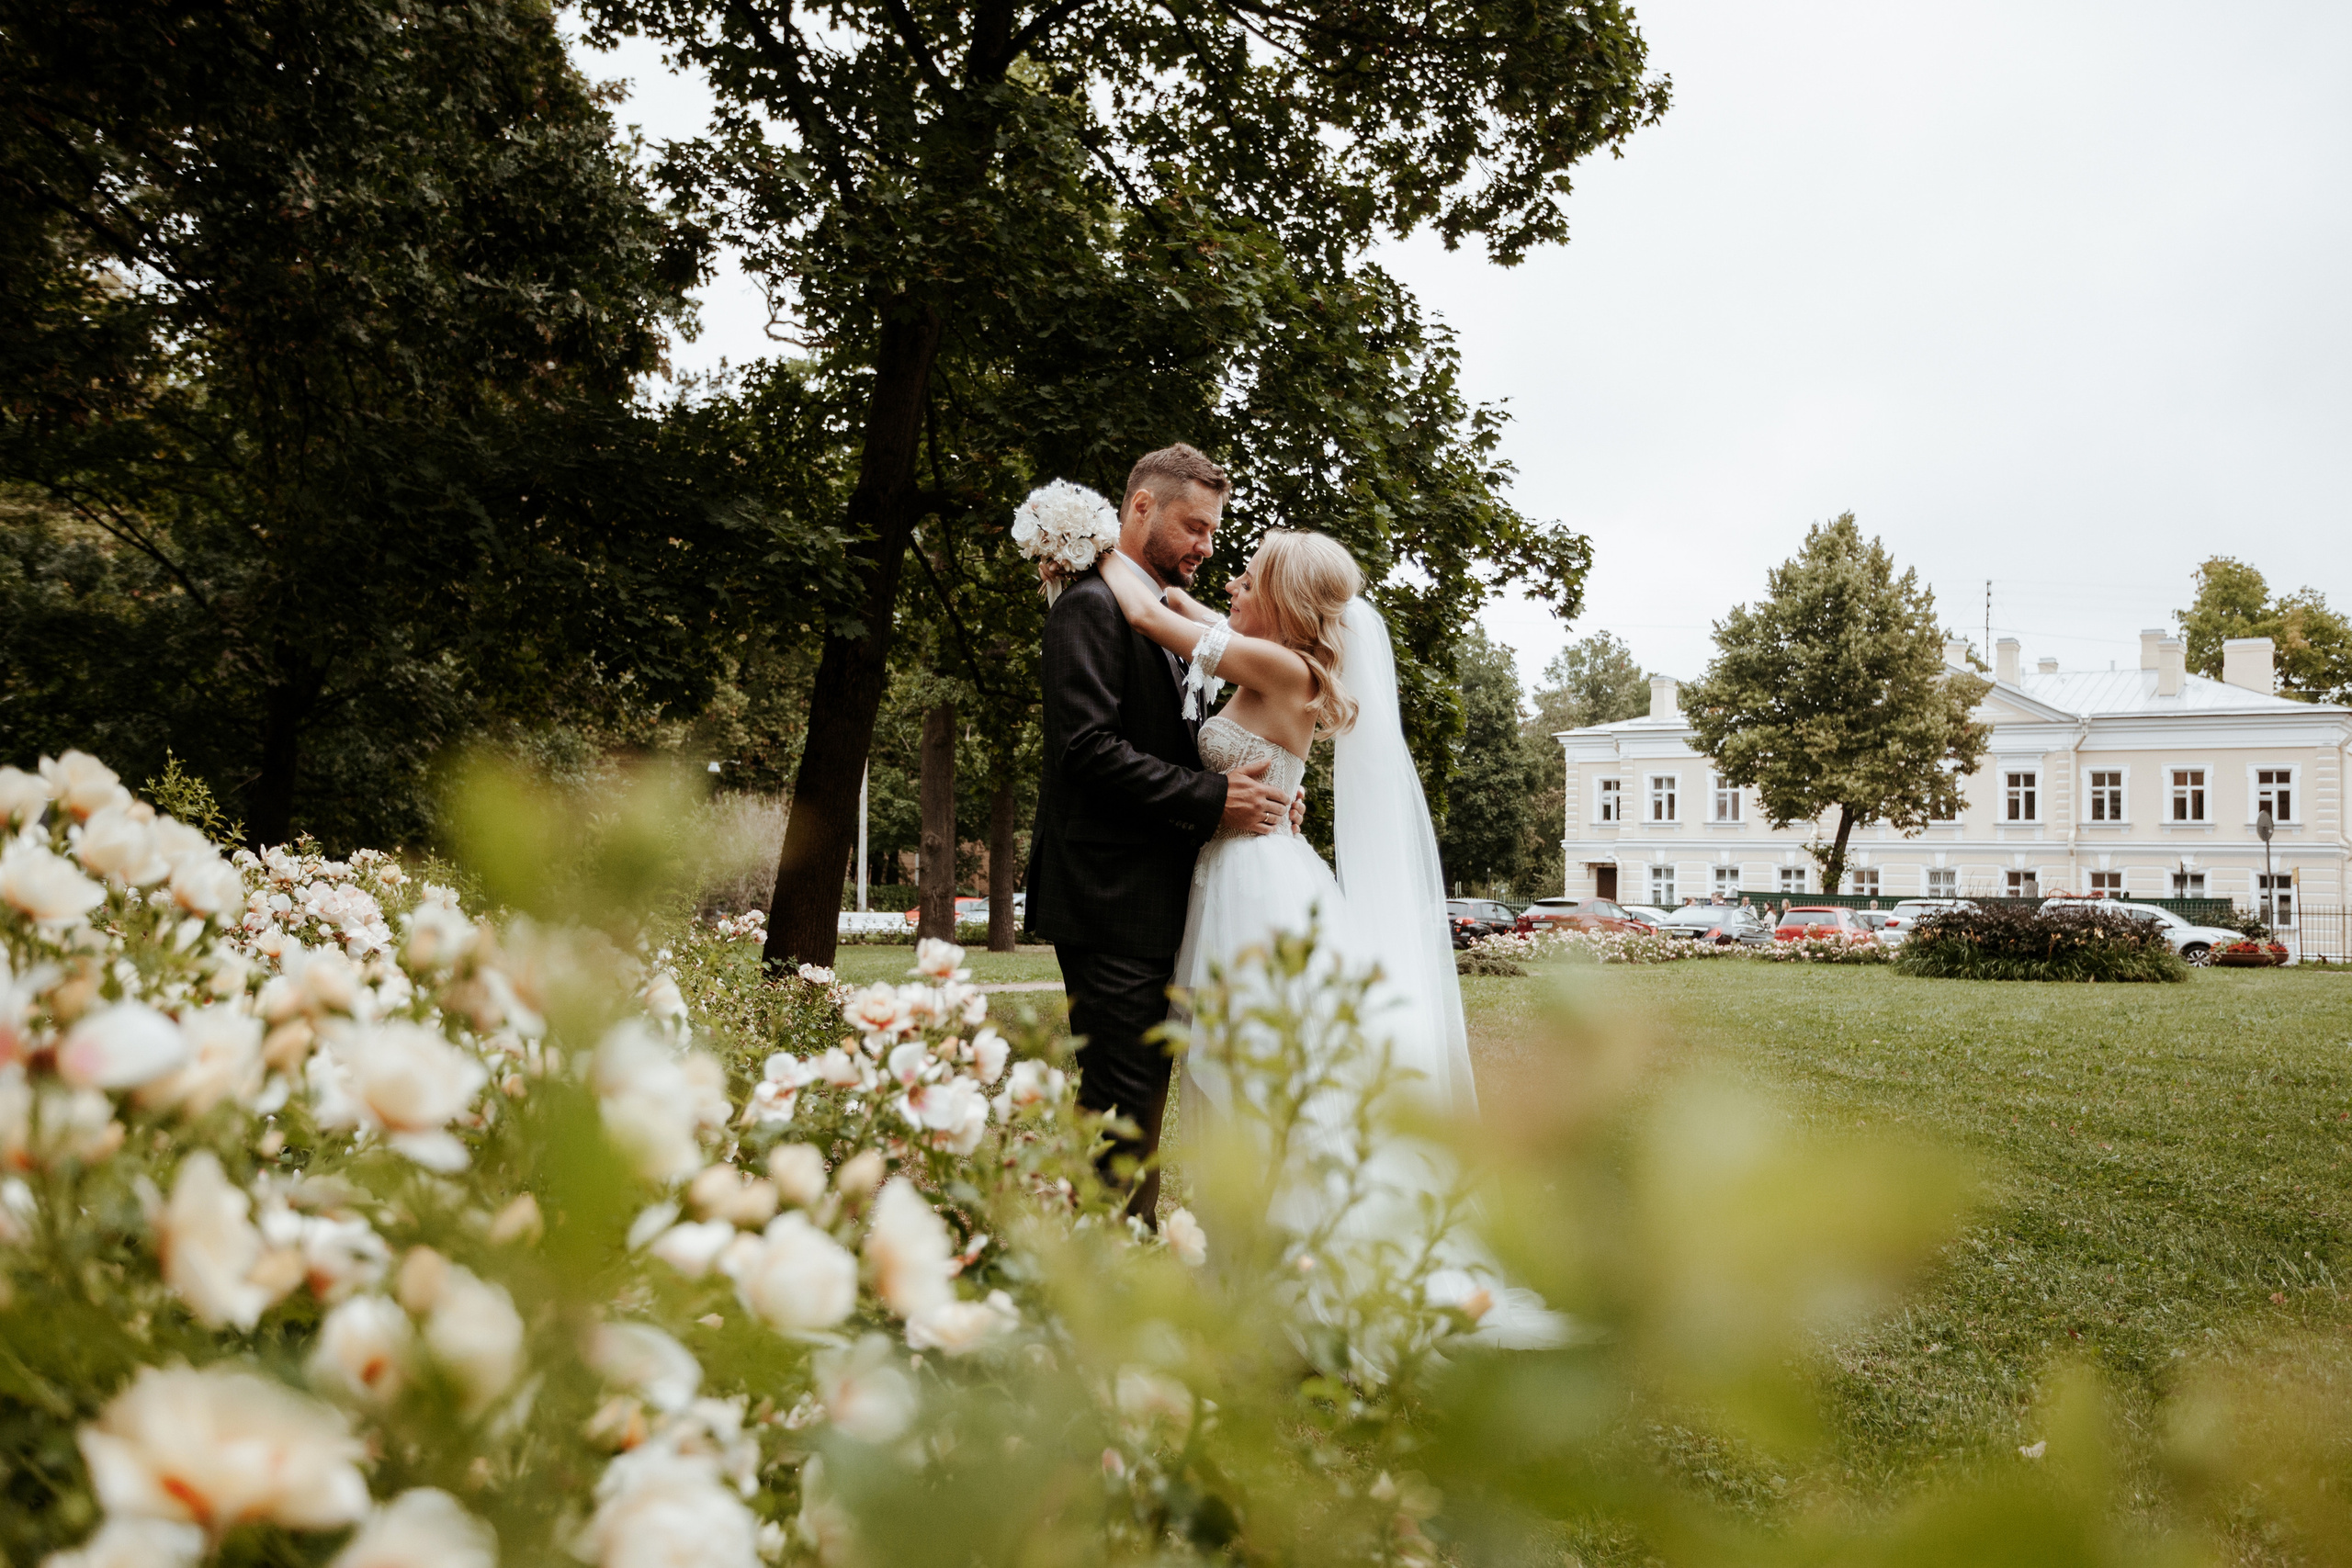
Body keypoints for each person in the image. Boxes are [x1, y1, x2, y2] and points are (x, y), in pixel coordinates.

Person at [1098, 521, 1561, 1348]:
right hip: (1239, 872)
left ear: (1283, 603)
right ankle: (1249, 1268)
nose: (1231, 586)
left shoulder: (1285, 669)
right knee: (1243, 1072)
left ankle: (1300, 1280)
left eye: (1248, 579)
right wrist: (1182, 595)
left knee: (1266, 1077)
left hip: (1259, 887)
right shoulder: (1278, 658)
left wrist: (1093, 541)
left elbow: (1148, 617)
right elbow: (1191, 612)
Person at [1024, 445, 1299, 1224]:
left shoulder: (1165, 611)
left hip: (1158, 897)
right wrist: (1216, 798)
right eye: (1194, 526)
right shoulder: (1089, 606)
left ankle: (1119, 1251)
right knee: (1121, 1104)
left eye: (1213, 531)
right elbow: (1088, 750)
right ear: (1140, 507)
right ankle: (1106, 1259)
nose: (1206, 546)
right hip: (1110, 897)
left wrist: (1264, 789)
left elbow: (1182, 738)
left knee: (1139, 1099)